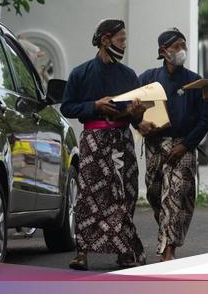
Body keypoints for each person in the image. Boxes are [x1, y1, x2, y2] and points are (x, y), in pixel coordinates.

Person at [61, 19, 146, 270]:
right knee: (89, 195)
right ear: (105, 40)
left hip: (122, 141)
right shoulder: (81, 73)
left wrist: (136, 111)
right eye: (120, 40)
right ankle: (82, 253)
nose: (123, 44)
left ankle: (123, 250)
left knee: (125, 193)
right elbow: (67, 106)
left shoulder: (128, 75)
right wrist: (95, 106)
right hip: (93, 142)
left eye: (125, 40)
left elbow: (136, 118)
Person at [137, 28, 208, 261]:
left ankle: (168, 251)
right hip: (155, 145)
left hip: (183, 146)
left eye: (184, 46)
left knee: (175, 195)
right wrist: (139, 123)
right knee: (156, 194)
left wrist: (185, 145)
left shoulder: (195, 81)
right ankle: (167, 233)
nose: (182, 51)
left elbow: (204, 120)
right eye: (176, 46)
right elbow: (132, 108)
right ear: (163, 51)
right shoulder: (148, 78)